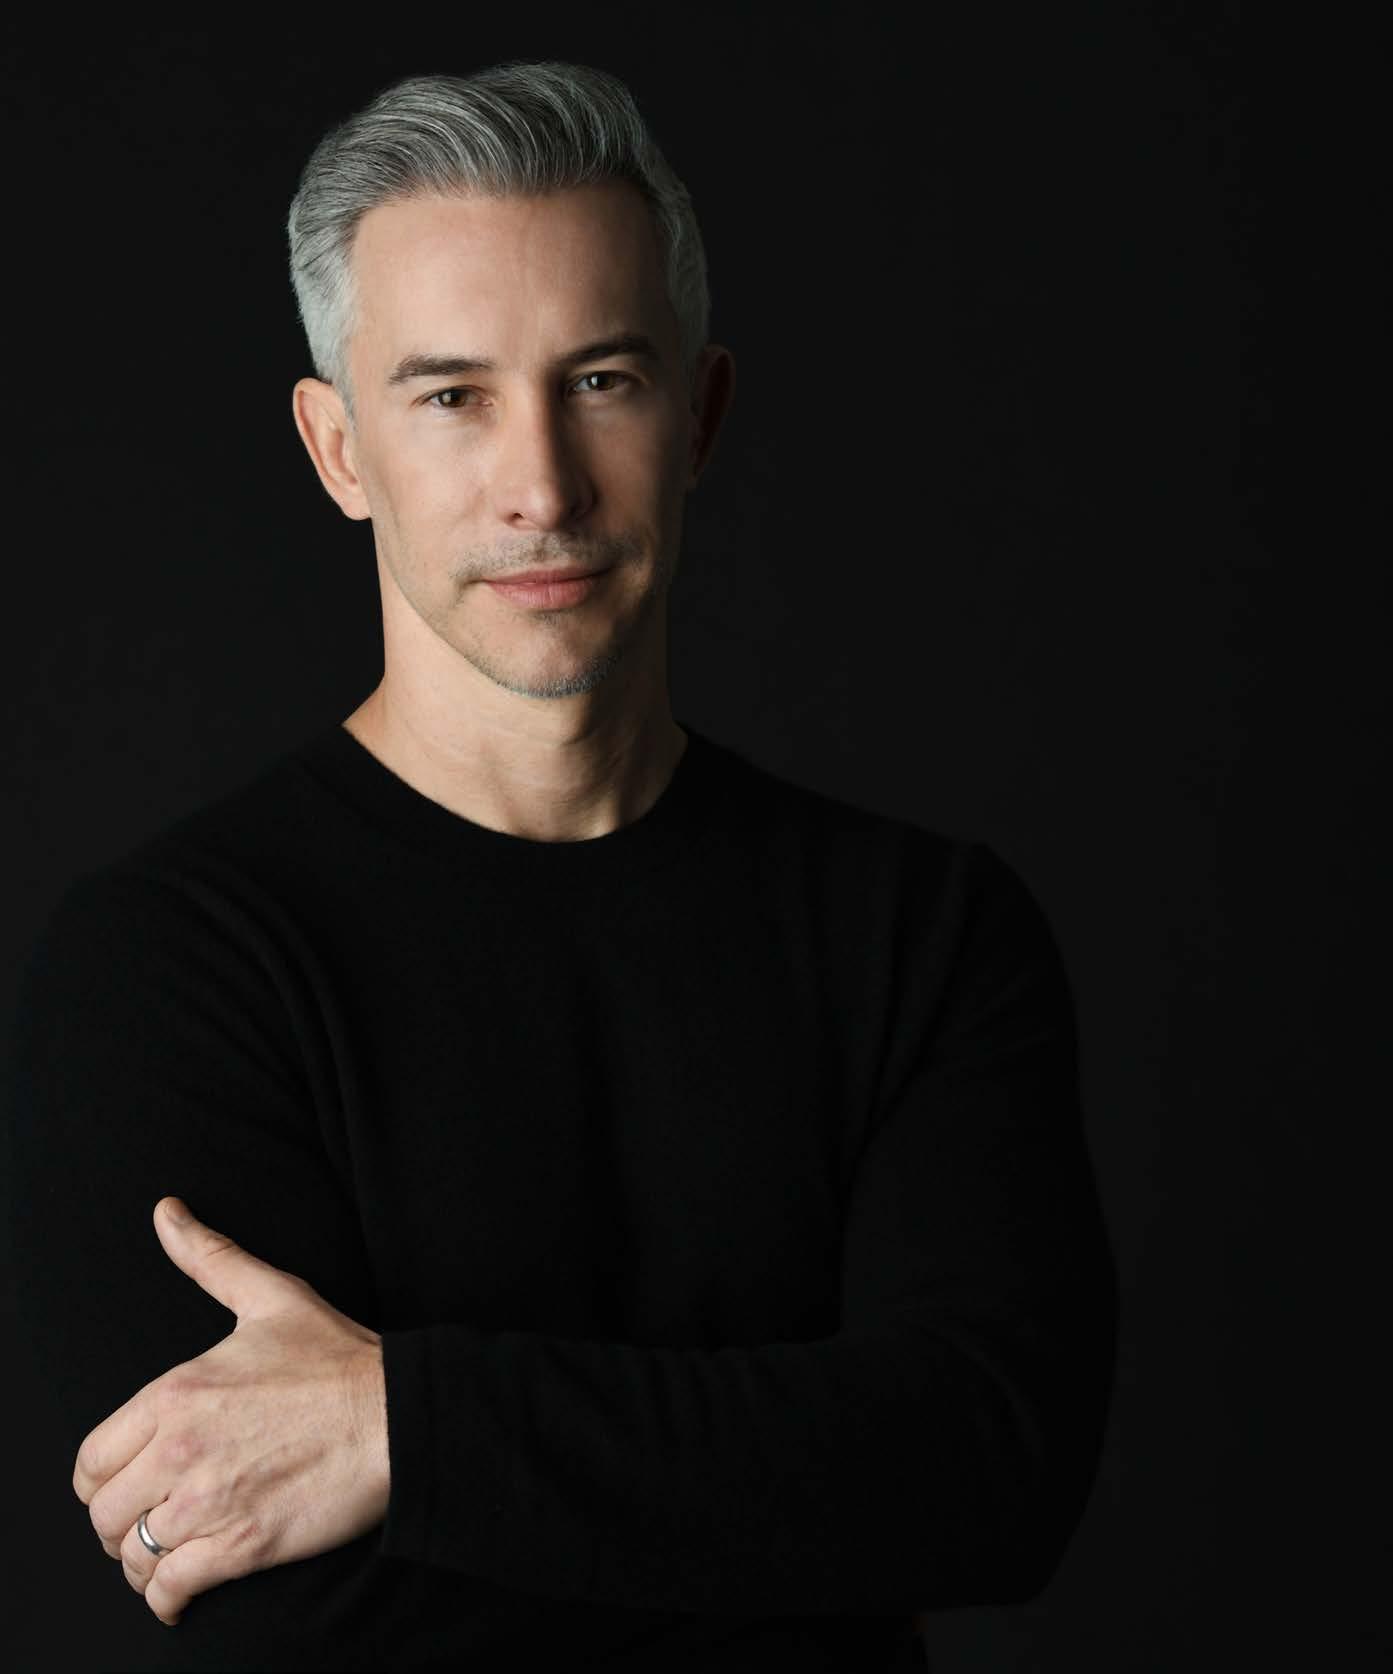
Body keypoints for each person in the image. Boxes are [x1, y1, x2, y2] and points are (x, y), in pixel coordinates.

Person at [6, 60, 1117, 1673]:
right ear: (337, 449)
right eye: (450, 396)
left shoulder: (922, 931)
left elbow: (992, 1477)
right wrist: (796, 1488)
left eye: (600, 379)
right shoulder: (166, 964)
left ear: (699, 416)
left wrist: (404, 1429)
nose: (542, 484)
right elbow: (275, 1602)